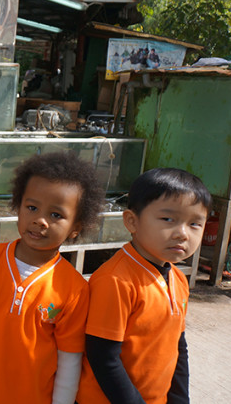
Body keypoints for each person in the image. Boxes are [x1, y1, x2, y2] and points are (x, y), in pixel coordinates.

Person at [0, 151, 105, 404]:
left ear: (75, 228)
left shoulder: (74, 290)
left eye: (56, 215)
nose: (40, 220)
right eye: (32, 208)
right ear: (18, 206)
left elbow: (69, 358)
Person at [76, 168, 210, 404]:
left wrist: (180, 399)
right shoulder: (116, 280)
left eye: (194, 223)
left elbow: (178, 347)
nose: (182, 234)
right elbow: (104, 358)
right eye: (168, 219)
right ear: (132, 221)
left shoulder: (178, 279)